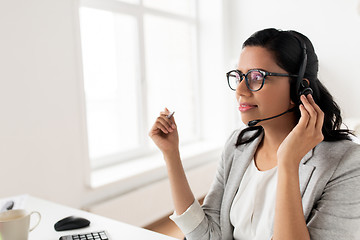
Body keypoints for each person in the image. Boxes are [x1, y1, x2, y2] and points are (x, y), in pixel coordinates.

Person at [148, 28, 360, 240]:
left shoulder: (348, 164)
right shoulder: (238, 145)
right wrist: (171, 154)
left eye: (256, 77)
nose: (240, 89)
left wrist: (288, 163)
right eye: (239, 76)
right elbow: (208, 236)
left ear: (298, 90)